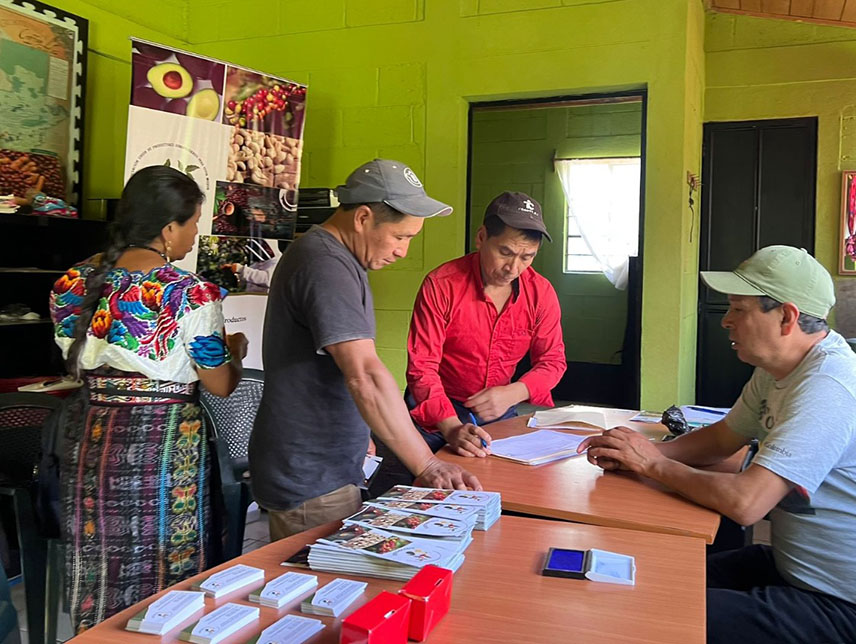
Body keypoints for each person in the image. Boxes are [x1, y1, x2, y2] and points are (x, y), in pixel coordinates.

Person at [579, 246, 856, 644]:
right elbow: (722, 439)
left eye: (739, 309)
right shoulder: (778, 370)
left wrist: (653, 464)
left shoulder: (831, 385)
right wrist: (638, 453)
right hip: (805, 575)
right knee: (656, 581)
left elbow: (747, 503)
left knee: (660, 617)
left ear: (786, 317)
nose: (726, 320)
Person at [49, 165, 248, 632]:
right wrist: (234, 351)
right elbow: (220, 384)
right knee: (167, 561)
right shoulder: (190, 293)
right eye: (193, 224)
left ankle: (96, 636)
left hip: (89, 437)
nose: (194, 235)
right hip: (162, 446)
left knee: (99, 558)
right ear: (168, 229)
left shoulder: (71, 283)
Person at [249, 159, 482, 542]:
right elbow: (365, 375)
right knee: (324, 578)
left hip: (327, 465)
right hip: (313, 478)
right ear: (362, 218)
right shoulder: (325, 264)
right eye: (400, 237)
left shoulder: (337, 258)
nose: (403, 251)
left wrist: (362, 433)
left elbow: (340, 373)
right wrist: (427, 464)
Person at [406, 191, 567, 457]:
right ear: (481, 238)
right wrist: (451, 427)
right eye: (505, 252)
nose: (513, 268)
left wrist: (514, 393)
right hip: (438, 410)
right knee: (428, 476)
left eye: (527, 257)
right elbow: (422, 367)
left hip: (501, 407)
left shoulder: (541, 293)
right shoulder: (441, 285)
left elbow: (552, 361)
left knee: (505, 477)